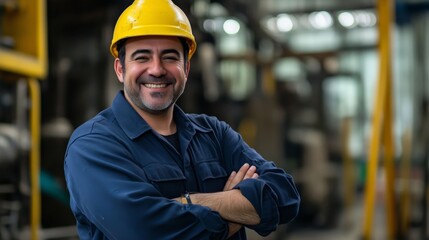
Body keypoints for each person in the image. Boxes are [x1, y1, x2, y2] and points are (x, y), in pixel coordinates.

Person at [64, 0, 300, 239]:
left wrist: (189, 202)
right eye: (142, 57)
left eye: (169, 57)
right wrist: (232, 213)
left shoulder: (214, 133)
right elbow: (146, 232)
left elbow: (286, 196)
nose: (156, 69)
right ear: (120, 69)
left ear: (186, 68)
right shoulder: (93, 145)